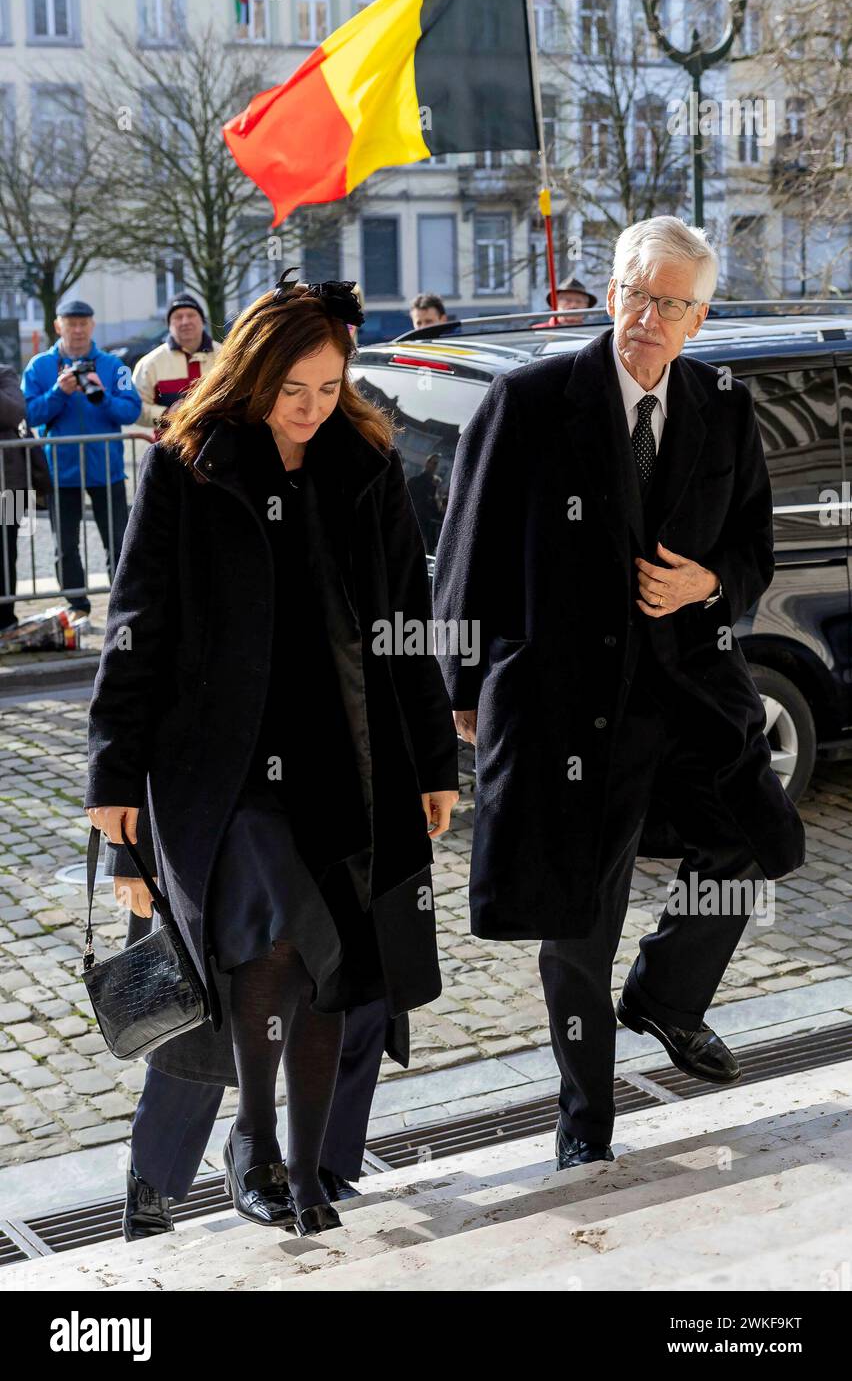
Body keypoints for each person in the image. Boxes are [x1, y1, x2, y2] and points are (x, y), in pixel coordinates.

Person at [85, 269, 459, 1236]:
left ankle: (304, 1166)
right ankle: (236, 1153)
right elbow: (136, 628)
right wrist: (111, 776)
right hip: (223, 769)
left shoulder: (367, 472)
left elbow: (406, 627)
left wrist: (432, 762)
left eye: (329, 389)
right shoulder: (190, 467)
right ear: (251, 376)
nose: (310, 409)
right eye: (292, 390)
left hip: (347, 755)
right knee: (272, 932)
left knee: (332, 956)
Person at [433, 215, 805, 1172]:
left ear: (699, 317)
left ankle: (668, 999)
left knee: (756, 837)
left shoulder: (723, 403)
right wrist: (461, 690)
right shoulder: (529, 399)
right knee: (576, 922)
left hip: (687, 691)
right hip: (564, 702)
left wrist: (707, 584)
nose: (649, 316)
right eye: (637, 294)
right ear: (612, 295)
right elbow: (463, 558)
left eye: (671, 303)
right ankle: (584, 1124)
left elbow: (754, 548)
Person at [105, 801, 414, 1238]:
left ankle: (322, 1165)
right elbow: (124, 732)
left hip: (342, 784)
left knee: (345, 982)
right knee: (201, 1004)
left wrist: (430, 772)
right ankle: (153, 1179)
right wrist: (128, 848)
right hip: (213, 793)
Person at [22, 299, 141, 617]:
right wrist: (59, 392)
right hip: (60, 471)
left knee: (118, 542)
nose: (76, 329)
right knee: (66, 546)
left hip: (108, 469)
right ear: (57, 326)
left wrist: (101, 397)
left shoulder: (115, 366)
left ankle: (120, 605)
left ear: (92, 325)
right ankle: (77, 606)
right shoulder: (39, 366)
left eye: (82, 323)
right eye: (70, 323)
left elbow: (132, 409)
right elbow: (29, 414)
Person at [0, 365, 51, 632]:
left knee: (6, 555)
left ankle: (5, 619)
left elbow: (13, 413)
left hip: (10, 489)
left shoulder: (5, 374)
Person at [132, 293, 221, 435]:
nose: (185, 321)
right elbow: (135, 408)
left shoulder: (225, 357)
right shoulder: (150, 364)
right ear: (169, 324)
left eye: (191, 315)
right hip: (169, 451)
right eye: (178, 317)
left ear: (202, 321)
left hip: (217, 447)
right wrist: (166, 416)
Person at [532, 275, 598, 328]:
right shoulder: (537, 332)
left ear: (586, 306)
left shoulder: (593, 336)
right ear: (555, 304)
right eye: (568, 300)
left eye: (579, 301)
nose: (574, 305)